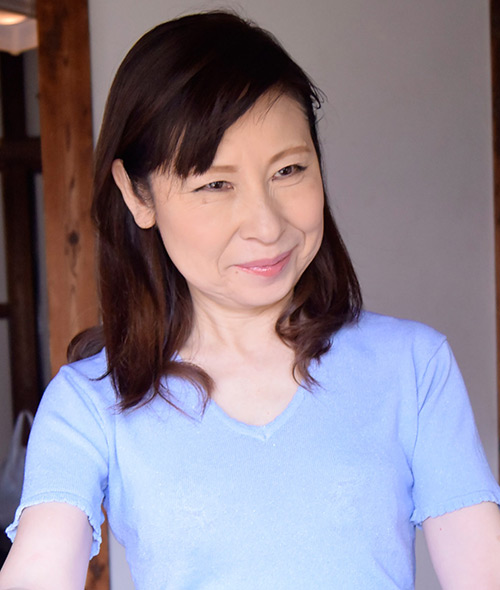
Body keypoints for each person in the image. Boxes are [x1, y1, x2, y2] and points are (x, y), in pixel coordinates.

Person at [1, 10, 500, 590]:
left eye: (289, 170)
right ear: (138, 196)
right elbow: (39, 571)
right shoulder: (90, 402)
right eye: (215, 184)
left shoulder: (413, 368)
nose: (266, 225)